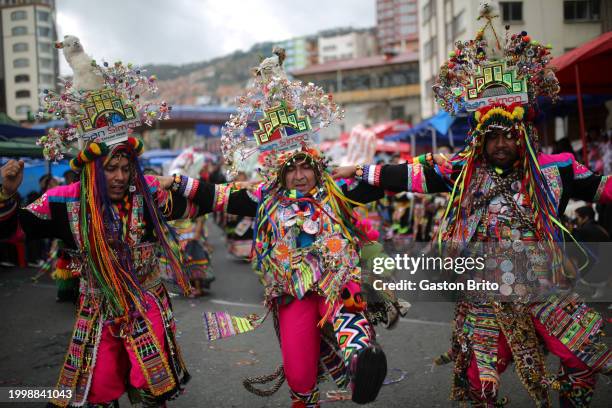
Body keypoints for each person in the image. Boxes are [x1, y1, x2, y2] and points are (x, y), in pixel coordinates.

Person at [335, 9, 611, 407]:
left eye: (508, 136)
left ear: (524, 135)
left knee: (582, 358)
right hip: (485, 292)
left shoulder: (557, 168)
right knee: (478, 379)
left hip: (545, 287)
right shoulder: (463, 171)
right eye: (492, 137)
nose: (500, 144)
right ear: (480, 139)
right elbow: (410, 174)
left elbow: (603, 188)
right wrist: (358, 171)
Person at [157, 48, 400, 407]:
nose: (299, 176)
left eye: (305, 167)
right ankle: (308, 395)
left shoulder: (337, 190)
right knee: (298, 372)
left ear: (315, 166)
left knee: (352, 328)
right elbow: (217, 195)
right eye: (291, 169)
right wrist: (175, 182)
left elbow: (393, 179)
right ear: (279, 172)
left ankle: (364, 361)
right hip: (291, 291)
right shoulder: (264, 198)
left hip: (338, 281)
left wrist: (362, 170)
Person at [0, 41, 192, 407]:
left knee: (150, 385)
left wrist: (184, 183)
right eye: (110, 169)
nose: (119, 177)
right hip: (98, 306)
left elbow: (205, 200)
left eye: (125, 168)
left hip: (145, 300)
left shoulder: (148, 192)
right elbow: (15, 231)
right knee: (99, 387)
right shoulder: (64, 199)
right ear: (92, 168)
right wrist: (7, 195)